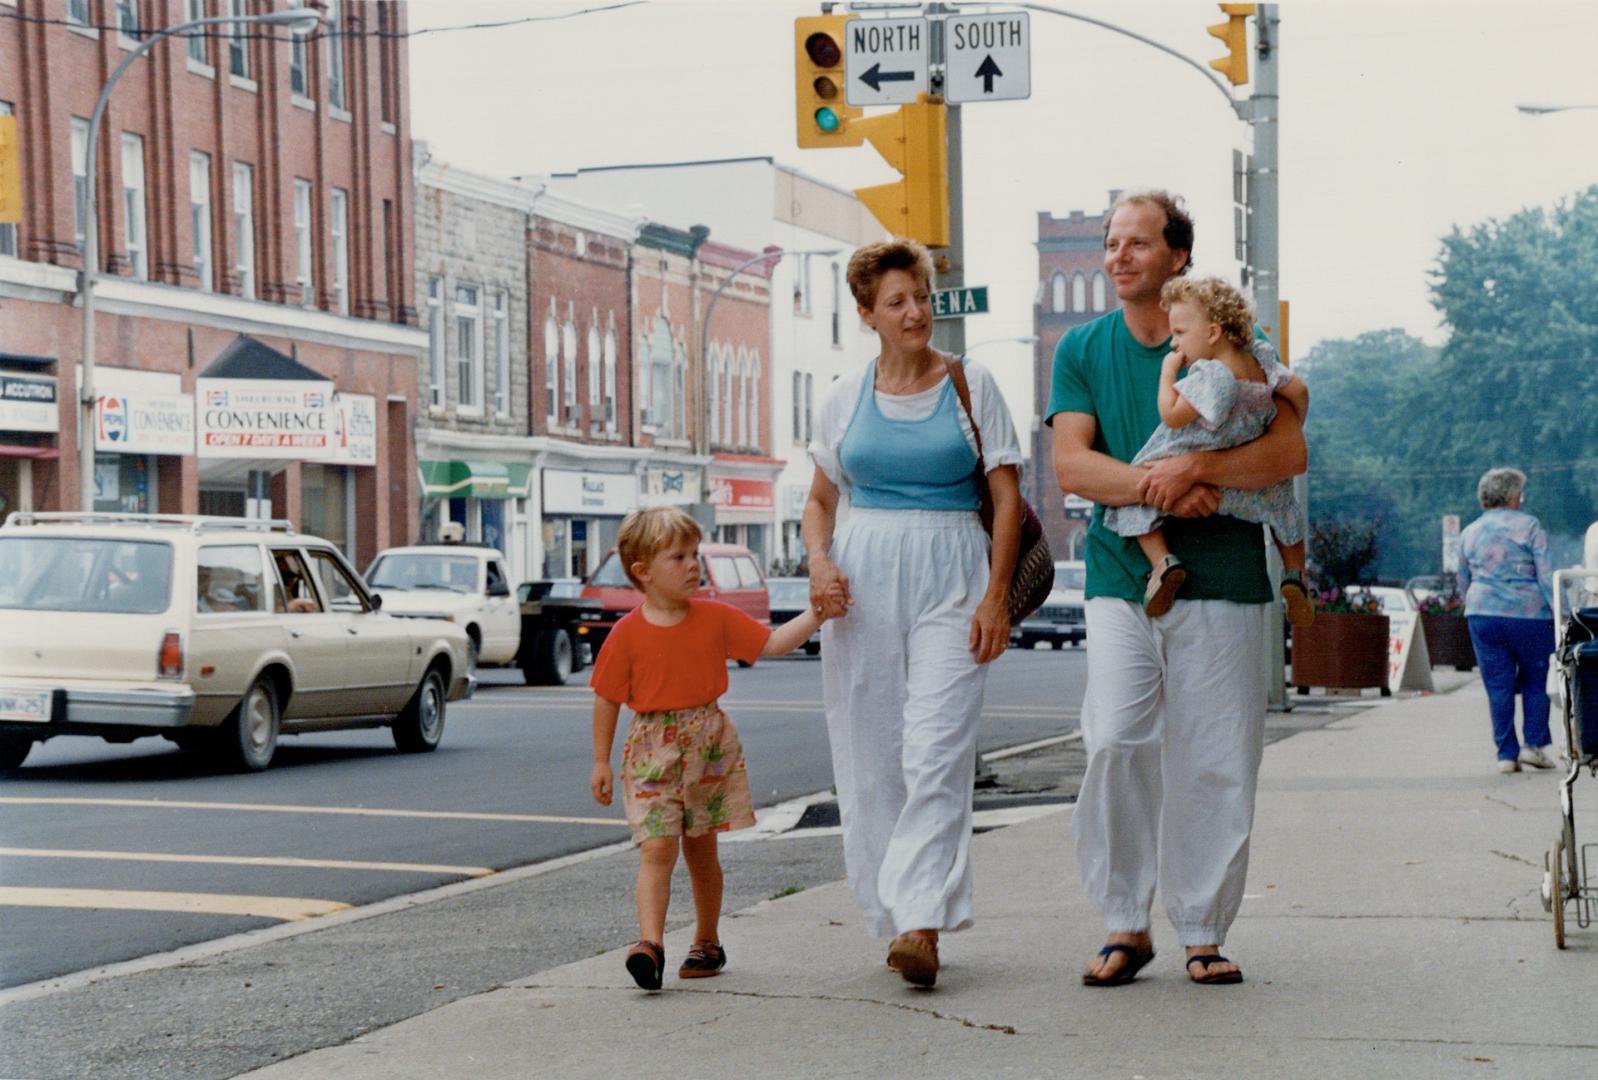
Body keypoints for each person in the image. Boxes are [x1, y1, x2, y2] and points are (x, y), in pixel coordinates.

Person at [1048, 190, 1307, 987]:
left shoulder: (1236, 343)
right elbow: (1072, 466)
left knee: (1217, 757)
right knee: (1117, 740)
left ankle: (1202, 927)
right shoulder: (1083, 349)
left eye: (1137, 242)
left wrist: (1199, 468)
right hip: (1123, 575)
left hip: (1226, 577)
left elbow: (1287, 453)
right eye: (1109, 241)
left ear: (1178, 257)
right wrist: (1162, 486)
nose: (1118, 255)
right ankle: (1126, 921)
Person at [803, 237, 1024, 988]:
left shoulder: (972, 384)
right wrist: (819, 559)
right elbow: (819, 499)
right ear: (867, 313)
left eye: (923, 297)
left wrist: (995, 597)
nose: (916, 312)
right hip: (863, 575)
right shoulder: (843, 396)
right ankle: (898, 916)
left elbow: (1005, 498)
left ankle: (922, 923)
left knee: (936, 749)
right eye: (897, 301)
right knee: (871, 754)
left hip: (952, 572)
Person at [589, 505, 831, 991]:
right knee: (656, 848)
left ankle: (706, 940)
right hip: (652, 752)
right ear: (643, 573)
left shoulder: (715, 617)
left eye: (695, 554)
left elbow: (772, 643)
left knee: (702, 853)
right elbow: (607, 697)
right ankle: (650, 945)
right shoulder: (626, 634)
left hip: (708, 748)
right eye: (679, 557)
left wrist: (818, 614)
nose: (694, 564)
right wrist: (600, 760)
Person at [1102, 275, 1314, 625]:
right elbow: (1300, 392)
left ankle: (1162, 565)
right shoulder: (1260, 360)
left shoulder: (1212, 375)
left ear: (1213, 332)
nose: (1175, 344)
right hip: (1247, 474)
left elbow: (1171, 416)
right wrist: (1288, 417)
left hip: (1197, 456)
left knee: (1137, 487)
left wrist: (1167, 373)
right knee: (1283, 504)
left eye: (1181, 333)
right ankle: (1295, 573)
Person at [1456, 468, 1557, 773]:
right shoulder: (1530, 526)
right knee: (1535, 680)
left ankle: (1506, 754)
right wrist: (1561, 612)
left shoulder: (1470, 531)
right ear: (1513, 496)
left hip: (1483, 613)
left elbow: (1463, 579)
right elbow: (1546, 575)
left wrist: (1472, 602)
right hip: (1529, 615)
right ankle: (1534, 746)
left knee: (1498, 685)